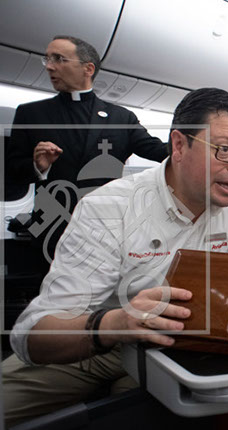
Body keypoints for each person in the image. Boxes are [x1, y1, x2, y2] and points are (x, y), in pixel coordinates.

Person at [3, 87, 228, 427]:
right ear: (179, 146)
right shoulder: (109, 208)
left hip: (173, 352)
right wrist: (115, 325)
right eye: (225, 151)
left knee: (143, 427)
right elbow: (33, 334)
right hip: (91, 345)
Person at [5, 35, 168, 267]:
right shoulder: (31, 114)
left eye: (59, 59)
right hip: (51, 228)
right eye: (47, 59)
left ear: (88, 69)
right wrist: (37, 167)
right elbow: (11, 173)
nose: (49, 66)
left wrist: (196, 140)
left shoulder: (121, 118)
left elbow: (159, 151)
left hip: (103, 227)